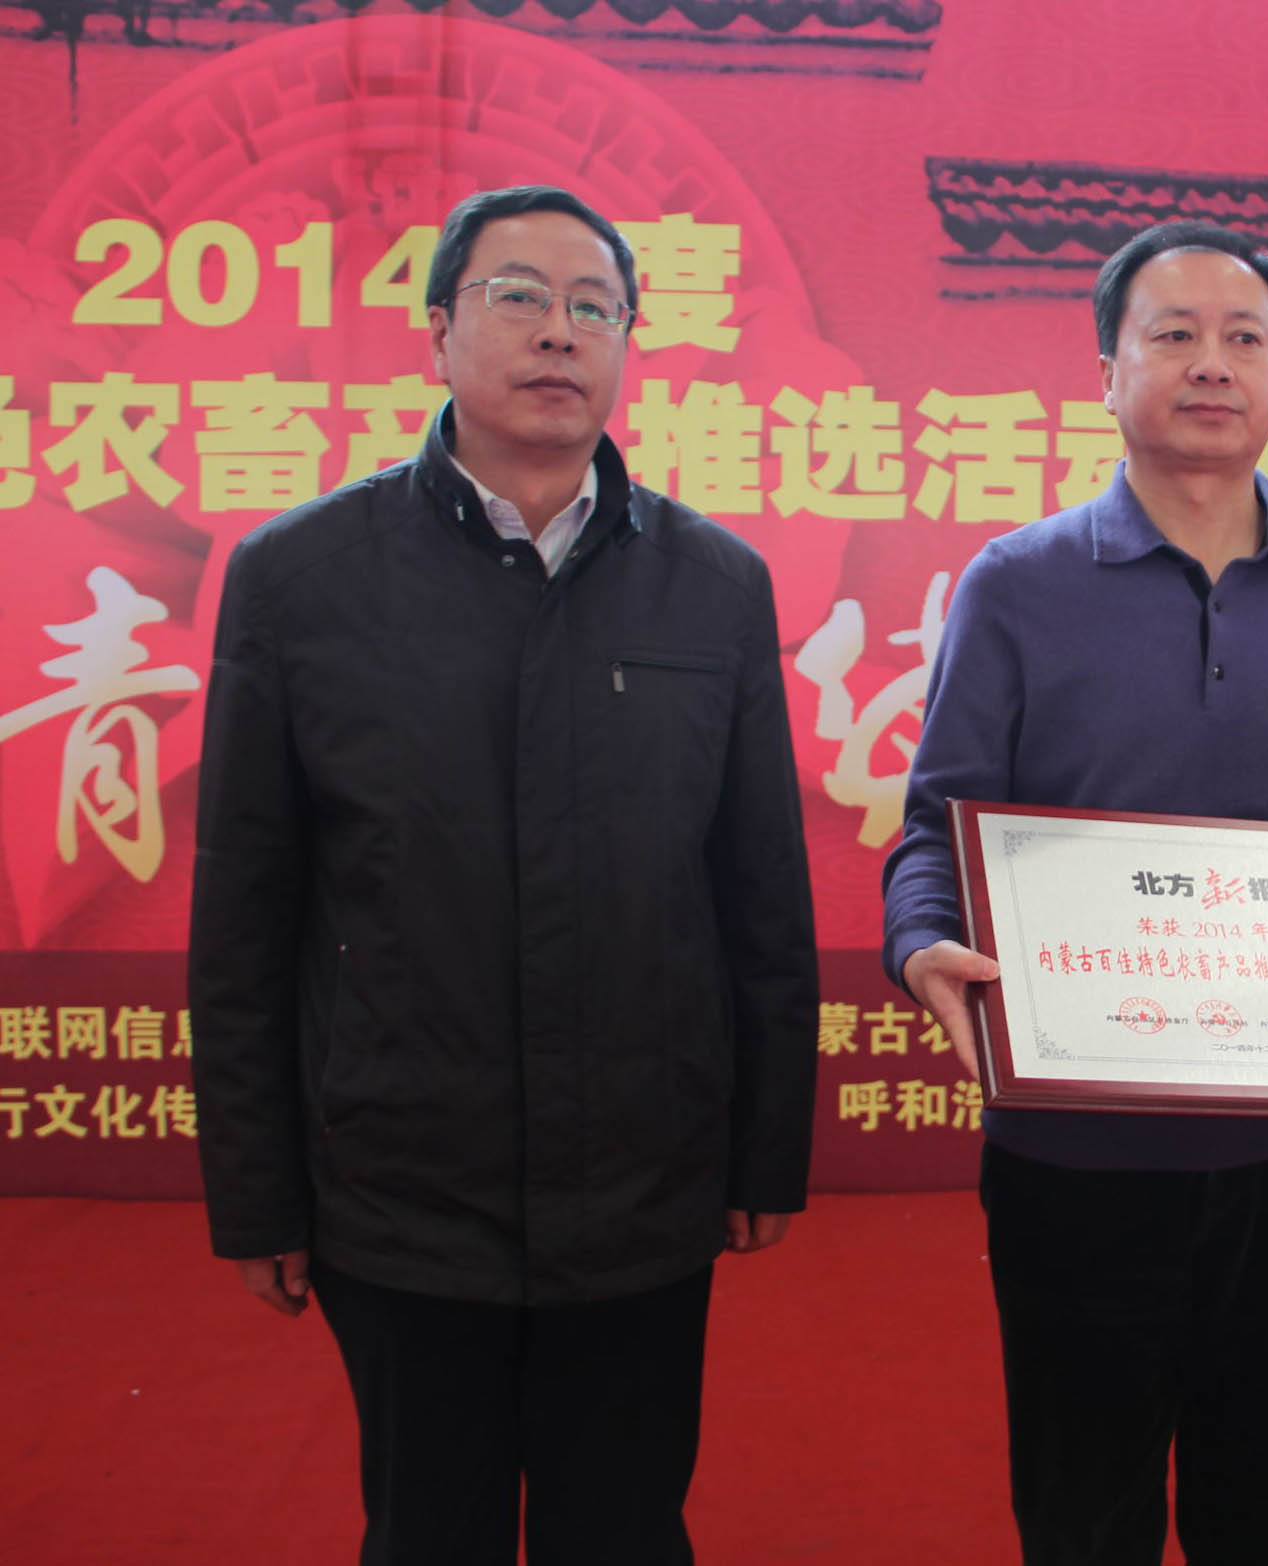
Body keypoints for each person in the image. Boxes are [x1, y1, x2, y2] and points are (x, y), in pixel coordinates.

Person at [189, 185, 819, 1566]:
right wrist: (256, 1189)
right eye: (518, 296)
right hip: (403, 1184)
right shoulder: (301, 578)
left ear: (629, 342)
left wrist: (767, 1146)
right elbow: (246, 909)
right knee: (429, 1530)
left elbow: (760, 895)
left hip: (644, 1181)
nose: (559, 331)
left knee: (625, 1529)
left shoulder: (714, 584)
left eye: (595, 306)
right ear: (437, 332)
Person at [881, 220, 1268, 1566]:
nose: (1211, 363)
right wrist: (925, 941)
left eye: (1244, 338)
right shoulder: (1016, 584)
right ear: (1107, 373)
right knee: (1081, 1512)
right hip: (1077, 1148)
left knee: (1264, 1511)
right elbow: (937, 825)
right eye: (1172, 334)